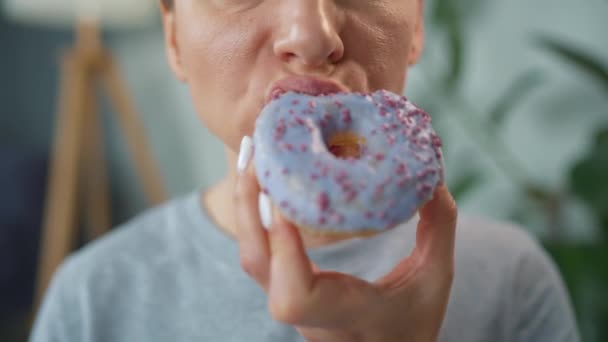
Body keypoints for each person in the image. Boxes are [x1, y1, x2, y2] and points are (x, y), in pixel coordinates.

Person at [30, 1, 580, 341]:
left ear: (416, 25)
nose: (312, 36)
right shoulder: (94, 298)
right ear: (173, 38)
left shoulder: (512, 283)